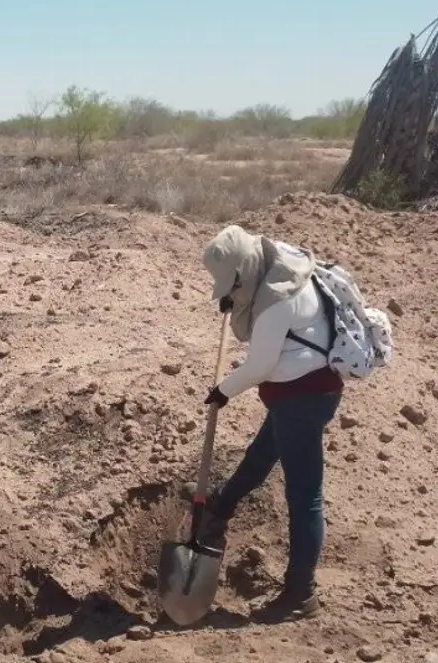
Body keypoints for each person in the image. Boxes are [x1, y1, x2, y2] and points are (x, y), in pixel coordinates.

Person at [195, 225, 343, 623]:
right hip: (295, 394)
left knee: (305, 496)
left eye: (232, 284)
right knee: (261, 454)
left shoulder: (279, 298)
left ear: (245, 269)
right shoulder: (274, 261)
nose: (232, 291)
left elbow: (259, 366)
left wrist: (223, 391)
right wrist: (232, 298)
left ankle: (300, 594)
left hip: (305, 398)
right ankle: (220, 509)